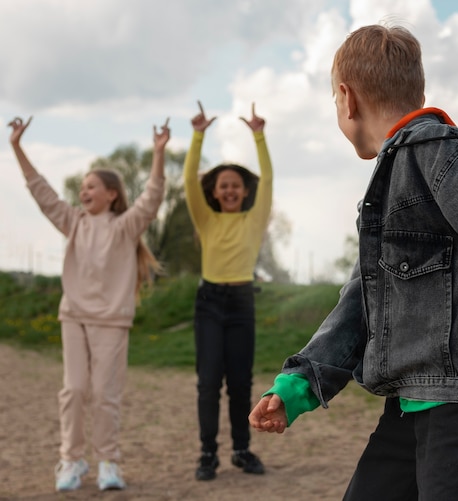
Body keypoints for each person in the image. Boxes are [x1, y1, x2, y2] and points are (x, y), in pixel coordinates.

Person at [249, 24, 458, 501]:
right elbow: (359, 308)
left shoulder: (436, 150)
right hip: (410, 401)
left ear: (346, 99)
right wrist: (298, 385)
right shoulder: (389, 186)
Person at [8, 115, 169, 492]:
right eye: (81, 187)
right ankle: (71, 461)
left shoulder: (126, 226)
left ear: (111, 194)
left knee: (105, 394)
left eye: (91, 186)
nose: (83, 192)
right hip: (74, 318)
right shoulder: (73, 221)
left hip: (112, 321)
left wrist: (158, 153)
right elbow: (41, 191)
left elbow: (153, 195)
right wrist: (17, 147)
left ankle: (108, 462)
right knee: (75, 389)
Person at [183, 101, 272, 481]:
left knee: (240, 383)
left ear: (243, 190)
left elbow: (267, 180)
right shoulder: (206, 219)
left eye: (236, 184)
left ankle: (241, 450)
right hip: (209, 304)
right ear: (215, 193)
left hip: (241, 303)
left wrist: (259, 135)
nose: (231, 189)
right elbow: (188, 181)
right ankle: (207, 455)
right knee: (208, 385)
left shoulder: (255, 219)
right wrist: (198, 135)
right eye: (224, 185)